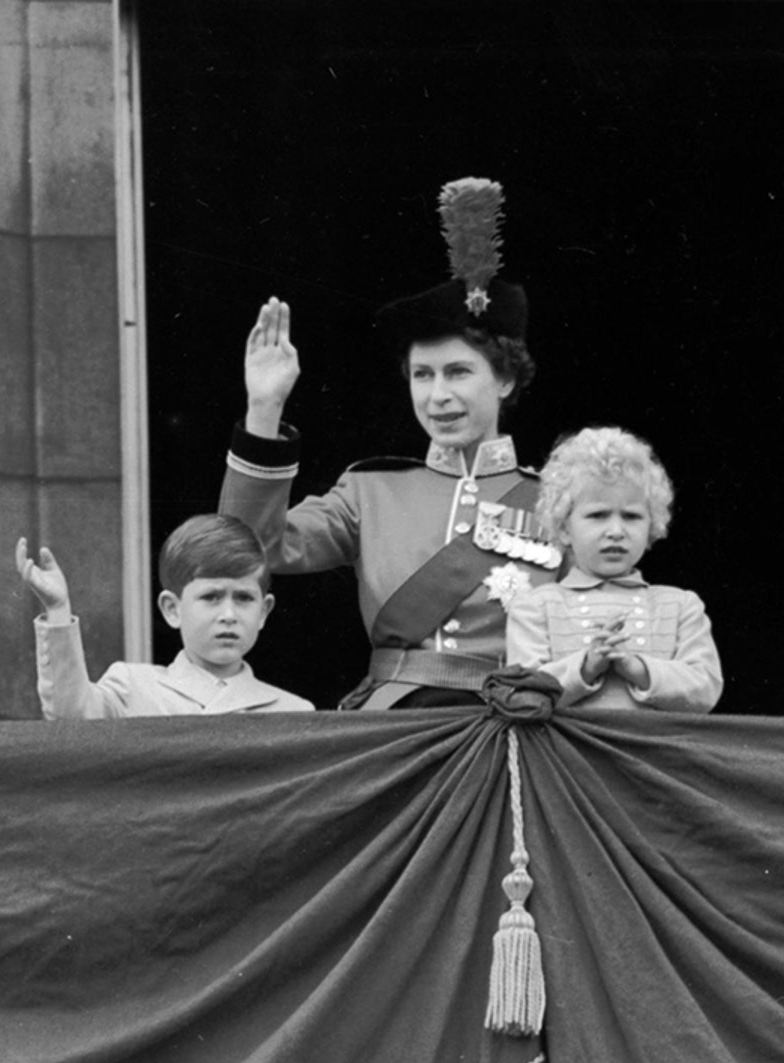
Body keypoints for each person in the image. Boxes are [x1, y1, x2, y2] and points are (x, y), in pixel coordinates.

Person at [219, 178, 561, 709]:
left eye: (458, 372)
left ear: (505, 379)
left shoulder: (559, 501)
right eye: (422, 375)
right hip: (396, 723)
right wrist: (265, 409)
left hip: (517, 723)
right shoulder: (369, 490)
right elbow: (249, 550)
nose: (438, 395)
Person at [505, 427, 722, 712]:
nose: (616, 531)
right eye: (598, 515)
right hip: (565, 753)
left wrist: (638, 669)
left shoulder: (682, 606)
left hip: (654, 754)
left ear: (652, 524)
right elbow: (522, 695)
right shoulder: (534, 607)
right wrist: (586, 666)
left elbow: (705, 688)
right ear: (564, 527)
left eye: (631, 516)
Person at [16, 514, 313, 719]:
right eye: (211, 597)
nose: (228, 615)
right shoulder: (133, 688)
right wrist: (58, 610)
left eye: (244, 598)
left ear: (264, 612)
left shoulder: (293, 712)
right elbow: (71, 716)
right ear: (172, 609)